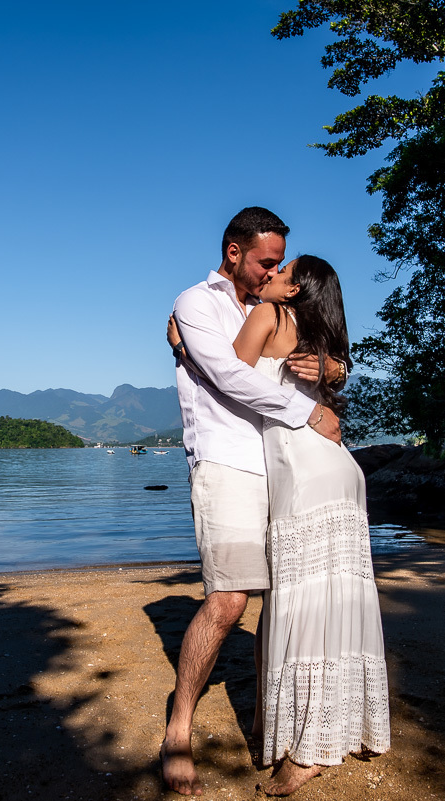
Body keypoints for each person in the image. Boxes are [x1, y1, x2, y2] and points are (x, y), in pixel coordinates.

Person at [162, 207, 342, 796]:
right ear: (234, 252)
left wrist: (331, 371)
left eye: (278, 263)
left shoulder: (275, 304)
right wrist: (309, 410)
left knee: (285, 603)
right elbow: (229, 376)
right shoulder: (196, 304)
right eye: (266, 261)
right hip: (226, 463)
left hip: (284, 466)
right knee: (229, 601)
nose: (273, 272)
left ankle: (275, 722)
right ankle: (180, 726)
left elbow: (330, 354)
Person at [227, 254, 390, 795]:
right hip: (335, 467)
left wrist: (183, 347)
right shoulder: (316, 335)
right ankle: (341, 728)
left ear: (295, 288)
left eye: (281, 271)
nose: (270, 275)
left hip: (305, 470)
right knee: (335, 601)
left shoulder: (269, 316)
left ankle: (307, 750)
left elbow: (227, 377)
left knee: (307, 603)